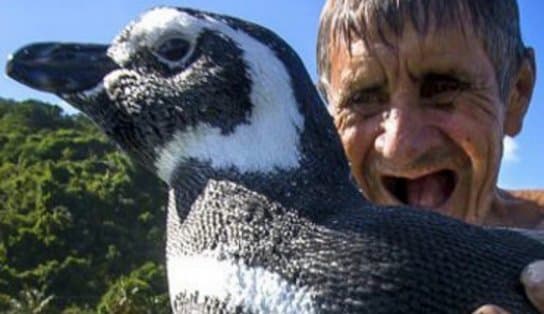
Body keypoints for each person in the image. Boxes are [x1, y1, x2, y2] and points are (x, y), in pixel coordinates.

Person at [316, 0, 544, 312]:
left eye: (442, 87)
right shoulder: (294, 263)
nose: (399, 146)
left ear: (517, 93)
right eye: (363, 98)